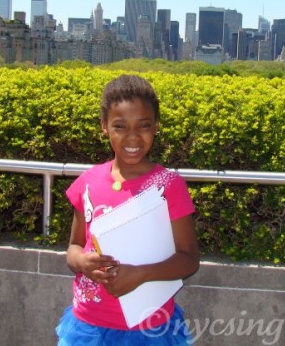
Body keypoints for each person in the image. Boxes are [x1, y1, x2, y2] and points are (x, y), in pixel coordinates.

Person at [56, 74, 200, 345]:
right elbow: (73, 248)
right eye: (120, 126)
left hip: (148, 328)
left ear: (156, 126)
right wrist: (84, 263)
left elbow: (189, 259)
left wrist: (141, 274)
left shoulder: (168, 186)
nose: (132, 137)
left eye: (143, 126)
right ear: (104, 126)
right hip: (88, 326)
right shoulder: (87, 183)